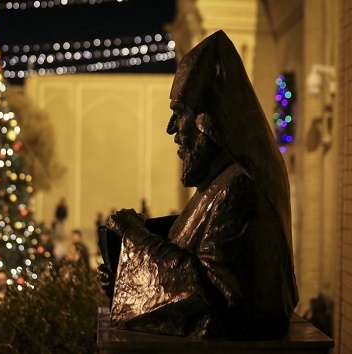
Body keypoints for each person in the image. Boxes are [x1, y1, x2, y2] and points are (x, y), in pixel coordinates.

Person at [97, 30, 298, 339]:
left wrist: (134, 237)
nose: (171, 129)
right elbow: (187, 256)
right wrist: (124, 262)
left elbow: (208, 300)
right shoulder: (218, 185)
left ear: (208, 121)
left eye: (179, 113)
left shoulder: (239, 188)